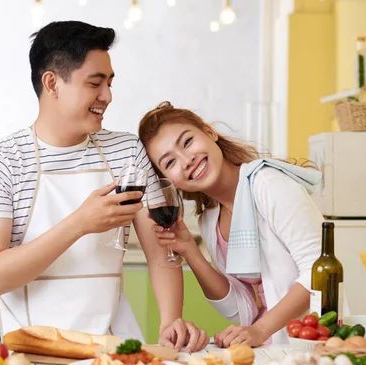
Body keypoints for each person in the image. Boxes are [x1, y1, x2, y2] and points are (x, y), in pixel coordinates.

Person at [0, 21, 208, 352]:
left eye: (109, 82)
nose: (107, 96)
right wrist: (80, 223)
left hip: (109, 350)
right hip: (19, 353)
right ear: (52, 83)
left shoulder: (126, 152)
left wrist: (170, 321)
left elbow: (161, 249)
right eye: (95, 83)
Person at [138, 101, 326, 347]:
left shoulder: (269, 185)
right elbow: (242, 310)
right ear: (169, 181)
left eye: (187, 142)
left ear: (209, 132)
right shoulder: (210, 219)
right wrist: (189, 250)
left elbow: (318, 271)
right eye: (170, 163)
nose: (186, 160)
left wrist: (259, 330)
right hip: (267, 349)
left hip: (310, 341)